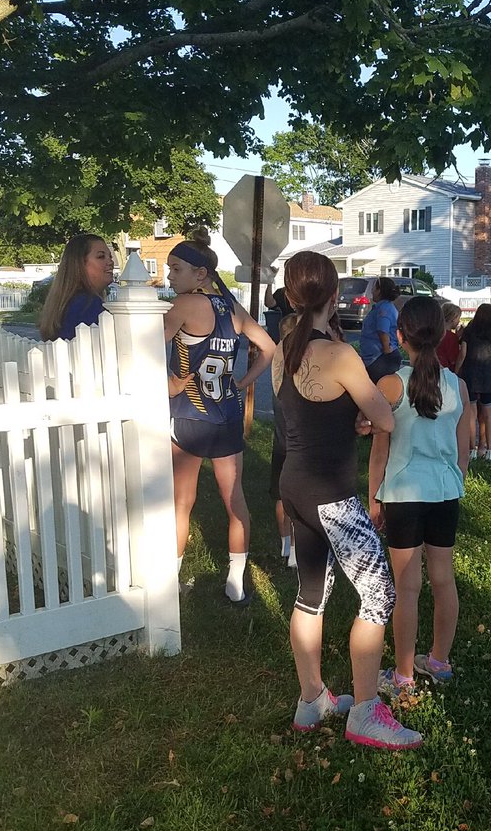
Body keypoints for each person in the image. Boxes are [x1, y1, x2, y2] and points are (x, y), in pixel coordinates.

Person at [272, 250, 422, 750]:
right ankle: (364, 712)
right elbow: (385, 418)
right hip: (330, 495)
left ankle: (311, 698)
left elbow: (315, 413)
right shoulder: (339, 355)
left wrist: (350, 418)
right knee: (379, 594)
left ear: (292, 296)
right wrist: (362, 418)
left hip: (293, 485)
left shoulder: (284, 349)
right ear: (334, 294)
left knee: (310, 593)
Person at [164, 231, 275, 605]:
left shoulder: (184, 304)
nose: (169, 277)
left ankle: (171, 578)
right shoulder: (232, 307)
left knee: (182, 502)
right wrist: (243, 382)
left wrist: (175, 382)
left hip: (189, 416)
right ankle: (236, 582)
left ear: (200, 274)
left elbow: (145, 345)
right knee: (235, 500)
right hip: (225, 414)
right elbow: (269, 348)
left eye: (175, 269)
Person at [367, 297, 470, 697]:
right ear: (443, 335)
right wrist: (451, 481)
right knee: (444, 580)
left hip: (403, 495)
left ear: (399, 336)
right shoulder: (457, 386)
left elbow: (380, 452)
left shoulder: (389, 386)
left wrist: (375, 499)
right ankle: (440, 660)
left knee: (407, 588)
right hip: (445, 494)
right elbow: (463, 453)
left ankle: (404, 674)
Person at [39, 233, 115, 341]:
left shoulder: (68, 302)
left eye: (110, 256)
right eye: (101, 257)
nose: (110, 262)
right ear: (80, 264)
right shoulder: (88, 304)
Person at [456, 302, 491, 459]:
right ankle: (490, 450)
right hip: (487, 376)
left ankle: (472, 449)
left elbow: (462, 353)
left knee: (471, 413)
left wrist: (457, 371)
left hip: (470, 374)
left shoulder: (469, 331)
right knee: (488, 414)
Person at [270, 313, 298, 568]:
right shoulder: (300, 362)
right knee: (298, 498)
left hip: (280, 439)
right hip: (300, 443)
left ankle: (284, 543)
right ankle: (297, 553)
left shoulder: (276, 358)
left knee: (280, 495)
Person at [358, 277, 402, 382]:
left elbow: (383, 330)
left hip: (379, 359)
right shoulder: (384, 307)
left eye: (374, 288)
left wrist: (386, 350)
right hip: (376, 358)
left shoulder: (384, 309)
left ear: (379, 291)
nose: (372, 291)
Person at [436, 303, 463, 372]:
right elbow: (454, 359)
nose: (459, 321)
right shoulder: (452, 337)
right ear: (453, 318)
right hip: (447, 370)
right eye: (458, 318)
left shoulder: (435, 333)